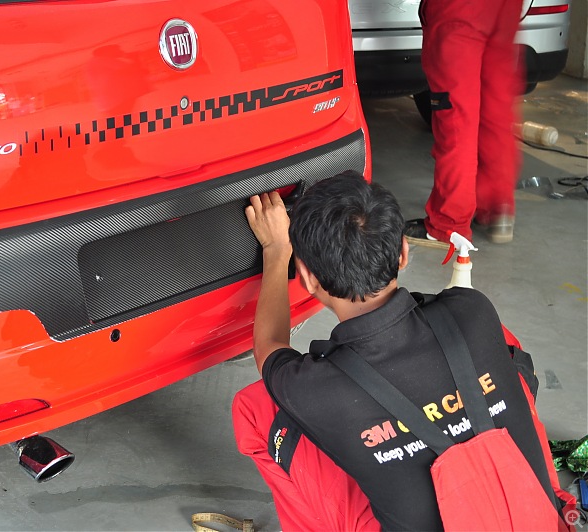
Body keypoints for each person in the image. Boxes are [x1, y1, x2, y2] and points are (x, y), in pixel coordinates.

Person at [232, 172, 571, 530]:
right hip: (532, 517)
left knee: (257, 408)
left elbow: (269, 347)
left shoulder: (315, 387)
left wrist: (275, 250)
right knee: (500, 341)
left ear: (308, 278)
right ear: (404, 253)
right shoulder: (473, 310)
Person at [403, 0, 523, 248]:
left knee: (457, 119)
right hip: (503, 7)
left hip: (460, 9)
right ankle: (497, 206)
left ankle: (449, 225)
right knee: (497, 109)